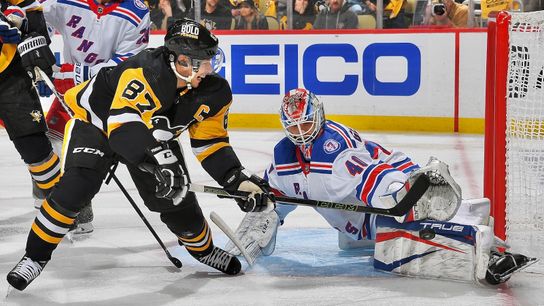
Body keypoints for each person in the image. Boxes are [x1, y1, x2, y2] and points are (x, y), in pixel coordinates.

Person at [6, 18, 272, 291]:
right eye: (203, 60)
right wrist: (160, 163)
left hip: (151, 140)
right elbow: (123, 130)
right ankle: (34, 257)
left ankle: (203, 250)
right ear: (180, 61)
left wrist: (236, 180)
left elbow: (211, 144)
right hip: (97, 125)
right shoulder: (146, 71)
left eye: (210, 58)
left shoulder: (214, 93)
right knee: (76, 189)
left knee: (178, 204)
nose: (209, 66)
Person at [225, 88, 538, 285]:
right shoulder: (284, 155)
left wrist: (399, 198)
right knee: (350, 234)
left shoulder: (335, 148)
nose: (300, 132)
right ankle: (461, 212)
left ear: (318, 117)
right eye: (293, 126)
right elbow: (275, 201)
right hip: (354, 222)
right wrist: (255, 216)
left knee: (398, 238)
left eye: (305, 123)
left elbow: (373, 176)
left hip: (396, 183)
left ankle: (490, 252)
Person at [36, 0, 151, 235]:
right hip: (71, 95)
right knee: (45, 148)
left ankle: (78, 207)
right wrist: (40, 51)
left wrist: (66, 74)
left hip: (109, 96)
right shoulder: (65, 1)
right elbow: (37, 15)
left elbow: (127, 65)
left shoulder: (135, 11)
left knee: (87, 153)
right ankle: (49, 206)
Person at [0, 2, 61, 218]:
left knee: (35, 147)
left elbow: (31, 13)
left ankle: (63, 203)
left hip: (9, 73)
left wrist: (35, 49)